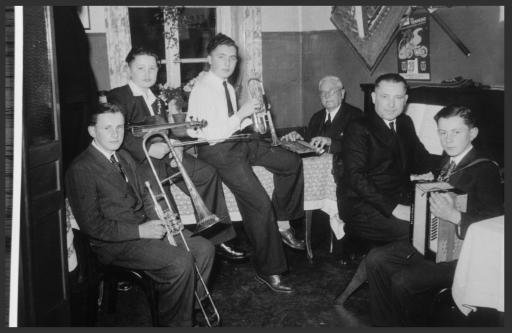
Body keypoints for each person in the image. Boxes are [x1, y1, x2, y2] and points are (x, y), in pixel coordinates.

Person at [65, 103, 215, 326]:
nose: (116, 134)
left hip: (144, 227)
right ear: (92, 131)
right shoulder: (80, 169)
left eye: (119, 127)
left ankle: (190, 306)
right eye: (107, 128)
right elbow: (92, 226)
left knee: (204, 249)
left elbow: (143, 195)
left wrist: (161, 217)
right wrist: (140, 230)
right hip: (114, 244)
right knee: (180, 261)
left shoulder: (124, 156)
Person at [186, 33, 305, 294]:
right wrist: (242, 113)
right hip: (217, 151)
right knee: (260, 205)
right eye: (221, 57)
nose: (228, 63)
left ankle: (283, 221)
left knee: (291, 161)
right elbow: (210, 134)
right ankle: (269, 270)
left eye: (232, 58)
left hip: (238, 142)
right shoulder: (202, 89)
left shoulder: (226, 85)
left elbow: (232, 124)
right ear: (209, 59)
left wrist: (252, 118)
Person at [365, 105, 504, 326]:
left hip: (463, 255)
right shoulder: (446, 161)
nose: (447, 139)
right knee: (375, 259)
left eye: (456, 132)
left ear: (473, 133)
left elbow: (495, 227)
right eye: (442, 132)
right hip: (432, 243)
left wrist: (455, 215)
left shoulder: (485, 170)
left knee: (403, 282)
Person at [107, 46, 247, 261]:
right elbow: (117, 134)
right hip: (138, 161)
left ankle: (218, 238)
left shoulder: (158, 99)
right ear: (128, 70)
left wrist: (176, 144)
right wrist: (149, 149)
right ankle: (177, 252)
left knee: (207, 173)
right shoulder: (119, 96)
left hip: (164, 155)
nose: (147, 74)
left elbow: (163, 131)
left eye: (152, 68)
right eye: (141, 68)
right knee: (164, 203)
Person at [340, 73, 436, 243]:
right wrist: (394, 208)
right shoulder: (358, 127)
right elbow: (356, 178)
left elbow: (423, 159)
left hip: (400, 197)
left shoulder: (405, 122)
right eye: (385, 97)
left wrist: (455, 164)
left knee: (438, 221)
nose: (392, 104)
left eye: (398, 97)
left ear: (405, 99)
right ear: (374, 97)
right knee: (418, 231)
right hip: (364, 205)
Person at [281, 75, 362, 156]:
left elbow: (358, 147)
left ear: (342, 93)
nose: (327, 96)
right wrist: (299, 139)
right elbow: (310, 142)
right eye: (323, 93)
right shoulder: (316, 117)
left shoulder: (355, 115)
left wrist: (330, 142)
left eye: (331, 91)